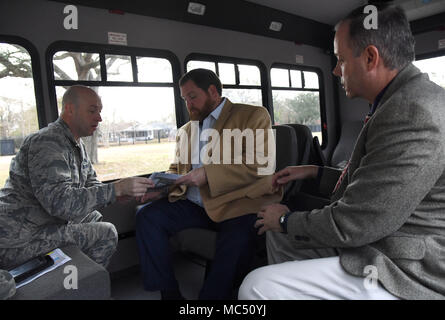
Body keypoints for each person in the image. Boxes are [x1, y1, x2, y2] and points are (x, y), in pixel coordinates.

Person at [239, 5, 445, 300]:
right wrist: (314, 172)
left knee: (257, 286)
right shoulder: (399, 101)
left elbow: (359, 222)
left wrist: (286, 220)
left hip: (405, 266)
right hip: (378, 237)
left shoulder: (412, 112)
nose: (336, 70)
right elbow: (376, 183)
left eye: (340, 60)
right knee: (278, 236)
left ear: (371, 58)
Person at [135, 68, 282, 300]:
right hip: (194, 203)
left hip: (238, 203)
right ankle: (169, 293)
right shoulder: (185, 130)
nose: (188, 104)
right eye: (184, 99)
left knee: (236, 240)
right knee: (147, 216)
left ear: (213, 91)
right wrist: (161, 189)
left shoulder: (252, 116)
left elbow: (260, 163)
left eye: (192, 96)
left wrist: (207, 174)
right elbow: (177, 169)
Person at [0, 85, 154, 270]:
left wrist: (118, 194)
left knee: (95, 218)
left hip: (43, 224)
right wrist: (116, 189)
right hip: (18, 239)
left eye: (99, 111)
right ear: (70, 109)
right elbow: (60, 204)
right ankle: (81, 288)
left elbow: (90, 184)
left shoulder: (75, 144)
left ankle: (74, 284)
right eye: (92, 111)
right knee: (106, 233)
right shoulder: (47, 143)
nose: (99, 118)